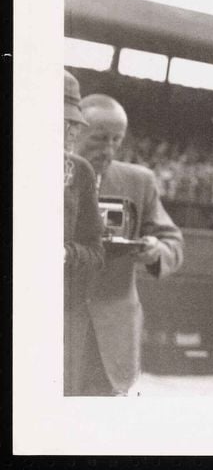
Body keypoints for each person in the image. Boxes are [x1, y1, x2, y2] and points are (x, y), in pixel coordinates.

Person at [74, 94, 185, 396]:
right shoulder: (44, 174)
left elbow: (172, 242)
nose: (108, 150)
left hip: (112, 331)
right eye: (99, 139)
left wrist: (154, 250)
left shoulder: (139, 181)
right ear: (73, 130)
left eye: (116, 140)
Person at [63, 70, 105, 395]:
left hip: (58, 308)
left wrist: (65, 253)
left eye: (74, 120)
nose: (70, 128)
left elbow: (95, 251)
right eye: (61, 118)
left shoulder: (80, 172)